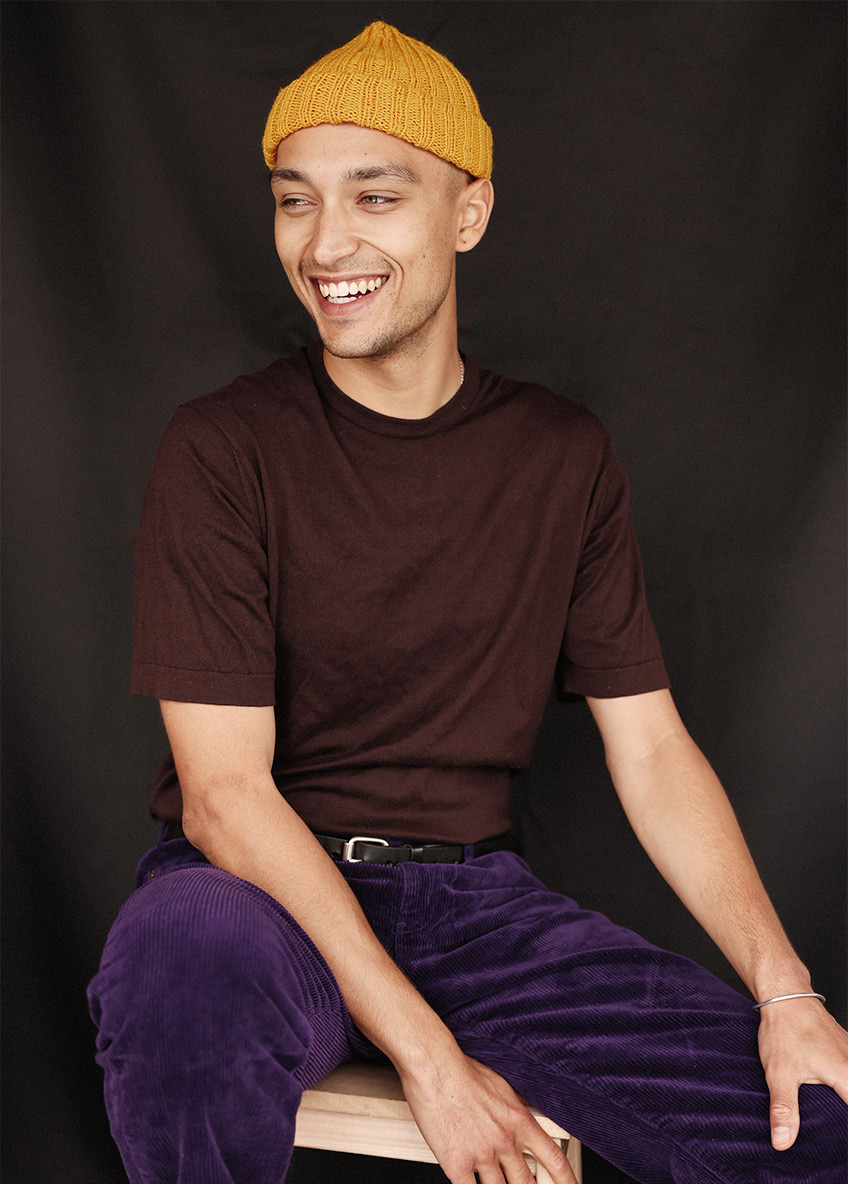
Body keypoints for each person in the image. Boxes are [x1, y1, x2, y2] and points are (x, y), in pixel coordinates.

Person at [88, 21, 847, 1184]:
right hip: (259, 898)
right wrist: (431, 1060)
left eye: (374, 195)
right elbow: (225, 797)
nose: (324, 241)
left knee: (816, 1121)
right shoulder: (222, 448)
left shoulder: (560, 455)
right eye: (294, 200)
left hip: (475, 911)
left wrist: (784, 990)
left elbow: (649, 749)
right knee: (182, 953)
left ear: (468, 213)